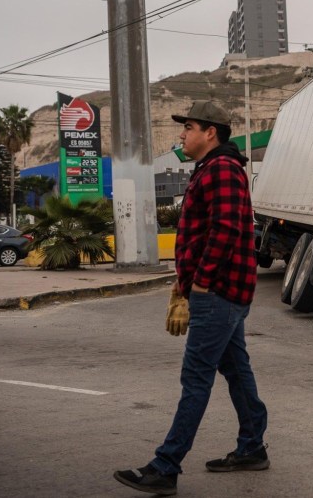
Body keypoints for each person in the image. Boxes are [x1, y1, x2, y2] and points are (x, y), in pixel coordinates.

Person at [114, 100, 268, 496]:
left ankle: (165, 467)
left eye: (189, 127)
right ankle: (252, 448)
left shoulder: (222, 169)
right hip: (223, 292)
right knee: (236, 371)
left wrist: (200, 282)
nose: (181, 134)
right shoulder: (213, 167)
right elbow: (204, 233)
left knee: (196, 378)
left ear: (210, 132)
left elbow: (227, 228)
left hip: (217, 294)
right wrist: (184, 282)